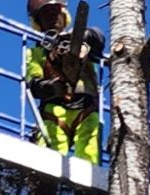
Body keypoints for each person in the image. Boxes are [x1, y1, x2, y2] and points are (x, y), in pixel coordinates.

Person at [26, 0, 101, 162]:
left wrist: (83, 36)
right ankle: (45, 175)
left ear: (64, 14)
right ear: (38, 22)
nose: (52, 17)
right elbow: (33, 82)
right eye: (46, 14)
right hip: (54, 109)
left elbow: (98, 39)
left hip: (86, 106)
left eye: (55, 12)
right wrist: (48, 87)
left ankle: (87, 177)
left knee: (89, 155)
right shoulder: (36, 52)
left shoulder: (82, 42)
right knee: (49, 156)